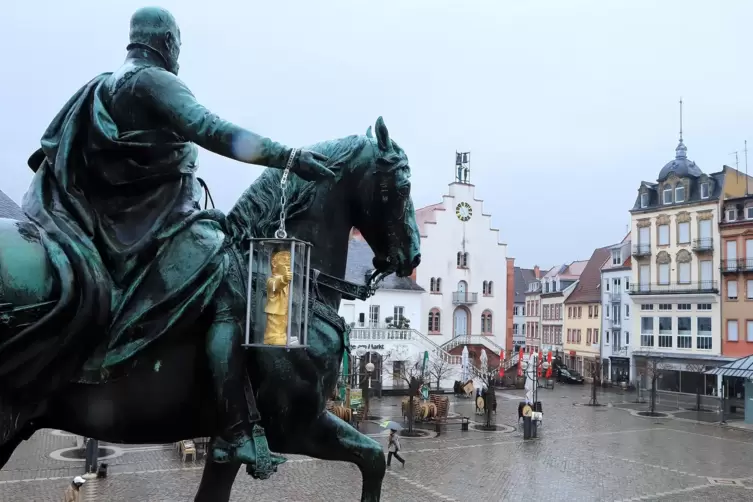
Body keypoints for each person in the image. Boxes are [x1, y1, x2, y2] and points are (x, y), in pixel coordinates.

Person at [5, 6, 334, 477]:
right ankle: (238, 427)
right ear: (165, 42)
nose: (178, 54)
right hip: (137, 227)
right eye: (177, 45)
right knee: (227, 278)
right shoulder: (150, 81)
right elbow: (213, 129)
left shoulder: (101, 85)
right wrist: (288, 156)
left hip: (113, 219)